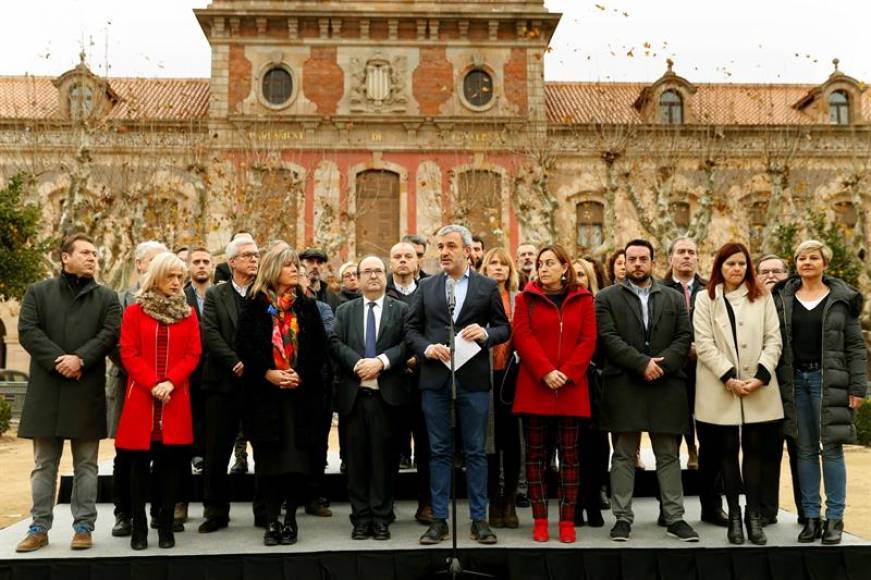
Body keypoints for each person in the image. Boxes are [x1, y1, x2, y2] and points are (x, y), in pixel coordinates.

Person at [15, 234, 122, 553]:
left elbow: (110, 333)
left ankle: (84, 527)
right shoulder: (38, 292)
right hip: (47, 391)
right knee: (43, 464)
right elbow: (28, 330)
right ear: (65, 257)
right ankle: (38, 527)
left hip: (85, 390)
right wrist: (59, 360)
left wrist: (81, 359)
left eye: (95, 254)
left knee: (86, 465)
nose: (93, 258)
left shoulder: (107, 297)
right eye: (86, 253)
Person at [406, 224, 510, 546]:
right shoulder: (427, 287)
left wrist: (486, 334)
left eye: (451, 246)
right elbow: (411, 329)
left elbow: (504, 328)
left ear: (467, 250)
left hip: (474, 380)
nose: (444, 253)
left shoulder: (486, 287)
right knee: (439, 451)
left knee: (476, 451)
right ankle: (439, 520)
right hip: (436, 379)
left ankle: (479, 520)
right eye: (441, 247)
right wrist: (426, 348)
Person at [596, 239, 698, 542]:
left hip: (666, 384)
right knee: (624, 454)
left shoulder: (674, 297)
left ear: (653, 261)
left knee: (668, 454)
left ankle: (675, 518)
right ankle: (623, 519)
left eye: (643, 258)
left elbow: (684, 337)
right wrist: (641, 364)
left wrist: (661, 367)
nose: (637, 264)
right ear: (624, 263)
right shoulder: (605, 297)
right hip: (624, 382)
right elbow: (608, 338)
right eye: (632, 259)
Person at [773, 240, 867, 545]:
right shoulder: (783, 298)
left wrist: (857, 387)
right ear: (796, 264)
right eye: (802, 258)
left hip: (829, 381)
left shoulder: (842, 300)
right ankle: (811, 518)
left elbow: (854, 346)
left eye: (814, 258)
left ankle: (835, 519)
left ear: (824, 264)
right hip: (795, 381)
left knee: (833, 450)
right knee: (805, 450)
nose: (807, 262)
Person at [693, 242, 787, 545]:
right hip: (721, 387)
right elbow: (703, 343)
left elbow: (774, 339)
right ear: (720, 266)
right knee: (727, 452)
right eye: (731, 263)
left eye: (742, 264)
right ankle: (734, 515)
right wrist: (729, 377)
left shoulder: (763, 297)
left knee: (756, 452)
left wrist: (761, 375)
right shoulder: (704, 298)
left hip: (758, 387)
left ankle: (754, 516)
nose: (737, 269)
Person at [236, 241, 328, 546]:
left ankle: (290, 520)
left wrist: (298, 375)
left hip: (300, 397)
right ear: (274, 269)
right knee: (269, 462)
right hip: (265, 397)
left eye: (296, 266)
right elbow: (246, 347)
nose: (296, 270)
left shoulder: (307, 305)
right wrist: (269, 373)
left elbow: (318, 351)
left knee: (296, 463)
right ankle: (271, 520)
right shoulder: (253, 305)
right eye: (290, 265)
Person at [115, 252, 202, 550]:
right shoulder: (134, 313)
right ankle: (139, 528)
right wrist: (153, 383)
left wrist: (170, 382)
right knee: (138, 469)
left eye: (180, 277)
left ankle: (165, 526)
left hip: (174, 399)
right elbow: (128, 353)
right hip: (141, 398)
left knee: (170, 469)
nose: (178, 282)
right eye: (171, 277)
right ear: (156, 278)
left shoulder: (189, 314)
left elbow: (193, 354)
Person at [512, 245, 596, 543]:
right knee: (536, 458)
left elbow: (588, 340)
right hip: (536, 387)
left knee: (570, 459)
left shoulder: (584, 299)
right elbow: (522, 336)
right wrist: (546, 371)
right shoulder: (525, 299)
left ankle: (566, 521)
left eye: (550, 263)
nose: (543, 268)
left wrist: (569, 372)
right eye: (540, 263)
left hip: (572, 389)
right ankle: (539, 520)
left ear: (565, 267)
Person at [331, 256, 410, 540]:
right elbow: (335, 342)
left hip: (386, 398)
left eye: (378, 270)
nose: (373, 275)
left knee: (384, 462)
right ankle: (360, 518)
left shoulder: (400, 310)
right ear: (359, 277)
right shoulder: (345, 310)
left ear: (385, 276)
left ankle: (381, 517)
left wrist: (381, 362)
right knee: (356, 462)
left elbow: (406, 343)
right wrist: (357, 363)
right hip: (354, 397)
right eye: (367, 271)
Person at [661, 237, 729, 527]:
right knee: (669, 445)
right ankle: (669, 509)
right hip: (671, 376)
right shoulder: (658, 290)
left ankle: (711, 507)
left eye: (692, 252)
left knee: (712, 445)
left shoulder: (713, 290)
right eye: (681, 252)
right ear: (670, 258)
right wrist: (680, 350)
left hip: (707, 375)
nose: (687, 257)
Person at [199, 235, 264, 533]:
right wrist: (234, 362)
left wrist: (253, 364)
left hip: (257, 384)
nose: (254, 259)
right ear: (232, 262)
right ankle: (215, 511)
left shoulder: (265, 293)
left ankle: (264, 511)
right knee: (217, 452)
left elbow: (270, 335)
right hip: (221, 384)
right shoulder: (215, 294)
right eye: (248, 255)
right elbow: (209, 333)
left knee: (263, 449)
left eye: (256, 255)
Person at [109, 240, 168, 538]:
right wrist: (147, 377)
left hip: (166, 391)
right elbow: (118, 346)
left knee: (161, 452)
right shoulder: (122, 300)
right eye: (156, 260)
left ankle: (159, 510)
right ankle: (125, 514)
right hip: (131, 386)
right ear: (141, 264)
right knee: (127, 455)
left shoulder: (174, 301)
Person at [386, 241, 433, 523]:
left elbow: (435, 330)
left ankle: (426, 503)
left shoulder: (428, 292)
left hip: (424, 381)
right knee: (389, 446)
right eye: (397, 256)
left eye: (409, 256)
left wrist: (420, 358)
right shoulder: (382, 292)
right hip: (391, 380)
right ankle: (385, 503)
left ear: (418, 262)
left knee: (426, 447)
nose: (403, 260)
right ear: (390, 262)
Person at [756, 254, 802, 525]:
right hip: (764, 389)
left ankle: (806, 511)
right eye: (765, 271)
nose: (771, 276)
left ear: (788, 274)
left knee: (801, 453)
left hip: (797, 389)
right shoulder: (752, 303)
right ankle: (766, 510)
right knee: (766, 453)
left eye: (777, 271)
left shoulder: (800, 302)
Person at [480, 247, 522, 530]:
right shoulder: (477, 298)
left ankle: (510, 500)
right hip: (485, 378)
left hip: (515, 377)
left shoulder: (521, 300)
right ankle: (494, 502)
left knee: (514, 442)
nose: (498, 268)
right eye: (493, 263)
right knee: (489, 444)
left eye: (503, 264)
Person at [572, 257, 610, 526]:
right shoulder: (563, 305)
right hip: (570, 382)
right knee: (572, 448)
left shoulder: (602, 305)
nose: (577, 280)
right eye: (572, 275)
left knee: (597, 447)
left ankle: (594, 500)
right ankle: (574, 505)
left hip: (597, 383)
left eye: (581, 275)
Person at [177, 246, 213, 523]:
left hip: (214, 380)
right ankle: (180, 502)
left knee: (212, 444)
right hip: (185, 380)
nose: (201, 266)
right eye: (196, 262)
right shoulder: (179, 298)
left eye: (206, 262)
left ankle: (213, 507)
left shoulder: (220, 296)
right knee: (181, 446)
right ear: (189, 267)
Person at [299, 247, 341, 312]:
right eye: (310, 261)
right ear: (300, 265)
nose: (315, 266)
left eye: (319, 262)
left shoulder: (332, 296)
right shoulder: (293, 293)